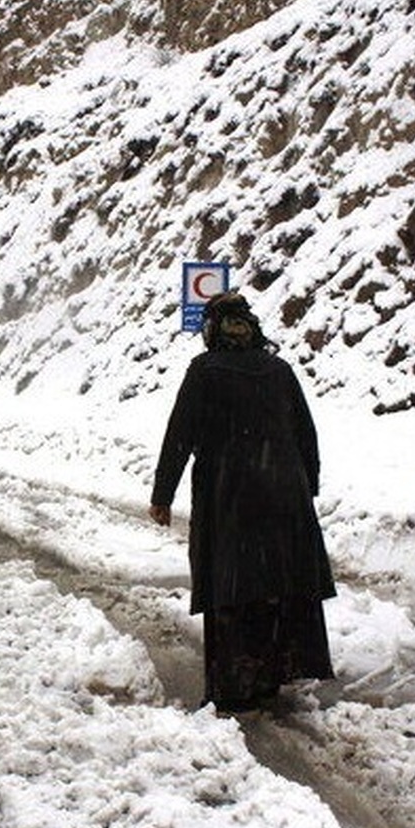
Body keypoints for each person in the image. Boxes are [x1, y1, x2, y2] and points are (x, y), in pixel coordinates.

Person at [149, 290, 336, 713]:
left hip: (230, 495)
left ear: (212, 330)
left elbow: (180, 435)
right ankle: (274, 674)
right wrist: (306, 486)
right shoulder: (279, 369)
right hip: (284, 493)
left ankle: (235, 684)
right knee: (277, 585)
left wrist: (162, 494)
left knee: (233, 589)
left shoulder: (205, 371)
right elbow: (306, 433)